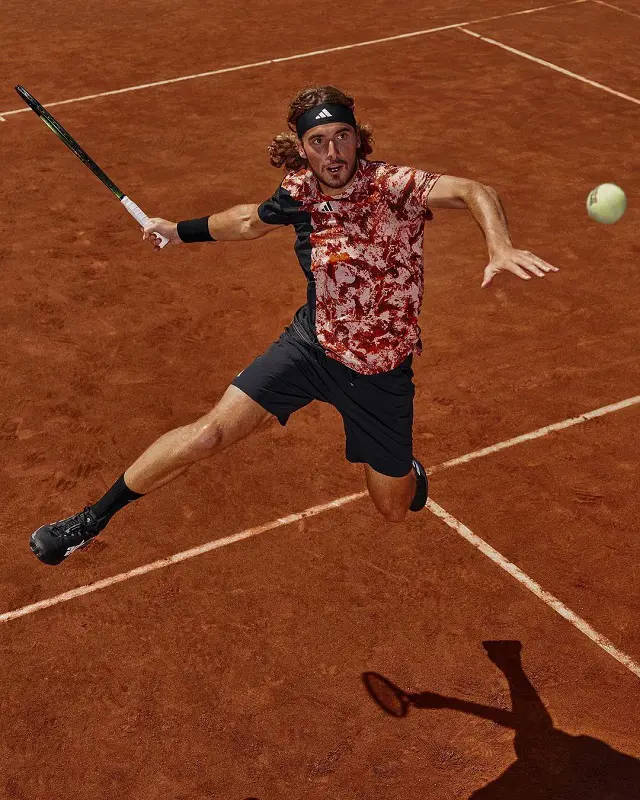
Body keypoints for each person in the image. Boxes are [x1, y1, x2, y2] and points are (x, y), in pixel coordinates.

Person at [29, 85, 559, 566]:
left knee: (396, 509)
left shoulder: (395, 186)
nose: (333, 153)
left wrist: (500, 245)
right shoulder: (299, 192)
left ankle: (408, 471)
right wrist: (179, 231)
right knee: (211, 433)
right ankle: (90, 520)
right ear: (301, 147)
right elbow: (246, 222)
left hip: (380, 374)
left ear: (359, 139)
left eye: (342, 137)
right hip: (311, 346)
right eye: (319, 141)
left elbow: (475, 190)